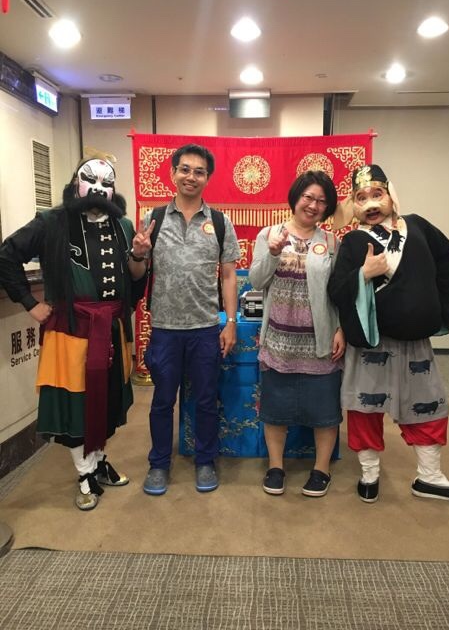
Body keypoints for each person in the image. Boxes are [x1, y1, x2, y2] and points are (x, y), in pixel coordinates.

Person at [0, 151, 148, 511]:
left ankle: (99, 463)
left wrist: (139, 256)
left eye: (106, 182)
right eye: (90, 179)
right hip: (71, 331)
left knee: (108, 399)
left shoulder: (124, 226)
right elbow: (6, 255)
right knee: (77, 404)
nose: (98, 188)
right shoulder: (51, 221)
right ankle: (84, 474)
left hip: (111, 329)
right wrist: (30, 303)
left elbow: (136, 279)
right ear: (75, 183)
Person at [328, 164, 449, 503]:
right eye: (361, 198)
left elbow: (447, 257)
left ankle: (429, 476)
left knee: (428, 404)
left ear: (391, 195)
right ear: (354, 205)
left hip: (415, 342)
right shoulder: (353, 241)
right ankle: (369, 474)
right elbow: (336, 290)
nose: (371, 204)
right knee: (365, 408)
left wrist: (435, 307)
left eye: (377, 194)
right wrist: (363, 273)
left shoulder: (417, 226)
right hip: (371, 343)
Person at [137, 143, 241, 495]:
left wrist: (230, 322)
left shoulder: (219, 222)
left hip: (204, 328)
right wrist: (137, 253)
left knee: (206, 400)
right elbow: (138, 271)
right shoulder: (153, 219)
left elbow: (229, 276)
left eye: (199, 172)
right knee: (162, 401)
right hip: (165, 329)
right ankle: (158, 464)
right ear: (173, 173)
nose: (191, 177)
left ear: (207, 178)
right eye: (185, 169)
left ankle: (205, 460)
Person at [249, 171, 345, 497]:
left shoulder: (331, 243)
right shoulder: (269, 234)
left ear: (327, 208)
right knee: (275, 410)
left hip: (319, 341)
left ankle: (321, 470)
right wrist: (273, 253)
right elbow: (257, 280)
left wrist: (341, 329)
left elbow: (340, 292)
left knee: (325, 411)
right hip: (279, 340)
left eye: (321, 201)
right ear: (296, 197)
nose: (313, 205)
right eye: (308, 197)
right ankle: (276, 467)